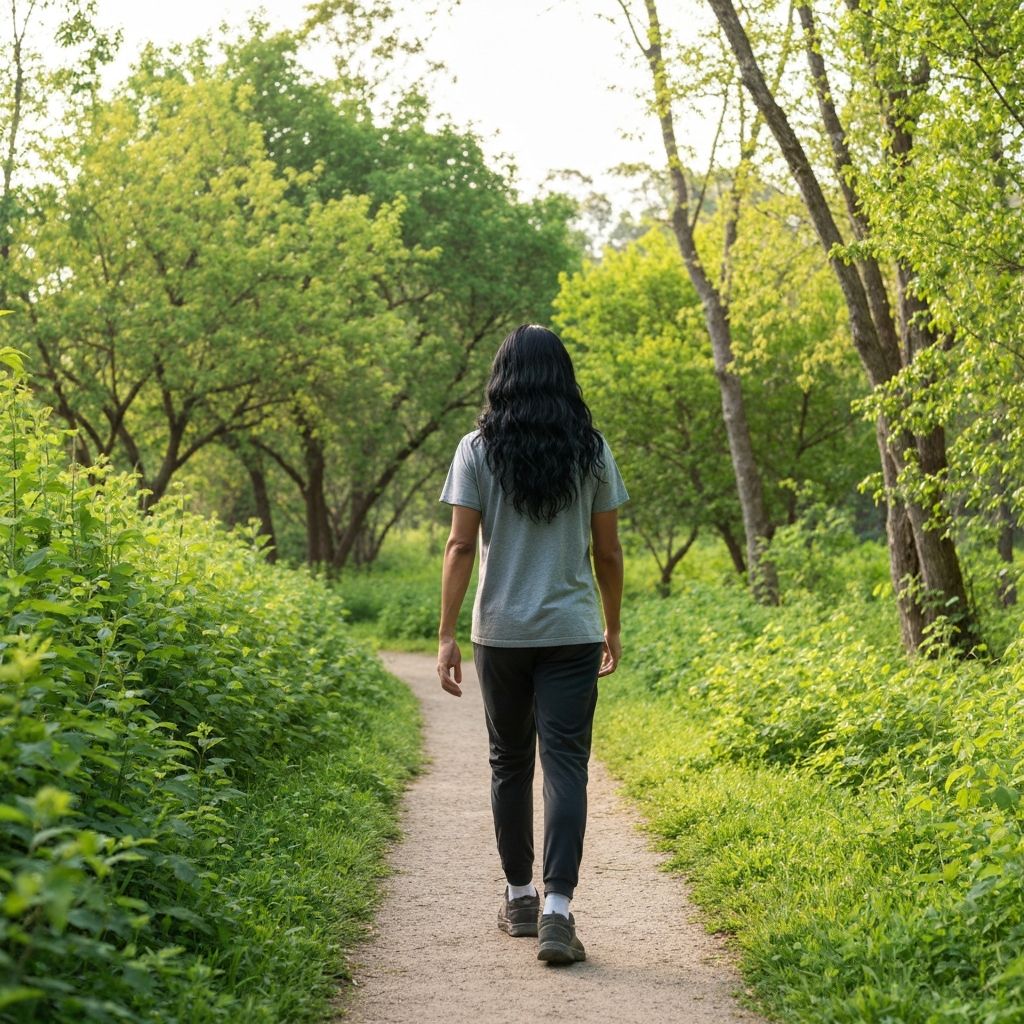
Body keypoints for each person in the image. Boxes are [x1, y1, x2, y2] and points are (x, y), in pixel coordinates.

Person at [436, 323, 628, 966]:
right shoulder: (591, 450)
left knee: (509, 764)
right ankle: (557, 913)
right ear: (563, 377)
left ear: (503, 376)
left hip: (502, 635)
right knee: (566, 766)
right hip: (572, 632)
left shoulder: (476, 449)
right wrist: (613, 623)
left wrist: (445, 634)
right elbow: (608, 550)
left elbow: (461, 544)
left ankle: (519, 896)